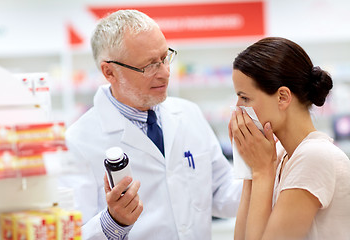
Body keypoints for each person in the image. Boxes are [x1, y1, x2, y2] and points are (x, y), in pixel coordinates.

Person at [59, 9, 242, 240]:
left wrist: (266, 169)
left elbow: (222, 193)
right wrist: (113, 222)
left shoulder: (189, 114)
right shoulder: (77, 142)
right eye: (149, 65)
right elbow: (72, 235)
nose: (165, 73)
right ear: (109, 71)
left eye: (165, 58)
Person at [229, 37, 350, 240]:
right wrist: (248, 165)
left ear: (282, 97)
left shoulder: (314, 157)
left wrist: (261, 172)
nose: (238, 107)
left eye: (245, 98)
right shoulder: (279, 155)